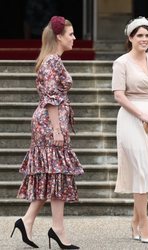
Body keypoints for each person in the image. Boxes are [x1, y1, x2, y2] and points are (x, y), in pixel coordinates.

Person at [10, 16, 84, 249]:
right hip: (49, 124)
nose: (74, 38)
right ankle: (57, 229)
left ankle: (27, 220)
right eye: (71, 34)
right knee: (57, 174)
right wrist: (57, 129)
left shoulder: (52, 60)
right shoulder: (52, 61)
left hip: (50, 123)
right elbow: (52, 99)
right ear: (59, 36)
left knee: (52, 175)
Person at [112, 16, 148, 244]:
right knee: (143, 170)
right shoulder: (121, 63)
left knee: (147, 172)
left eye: (147, 35)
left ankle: (135, 221)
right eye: (139, 35)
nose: (144, 39)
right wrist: (142, 114)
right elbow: (118, 95)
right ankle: (145, 223)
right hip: (131, 119)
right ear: (130, 38)